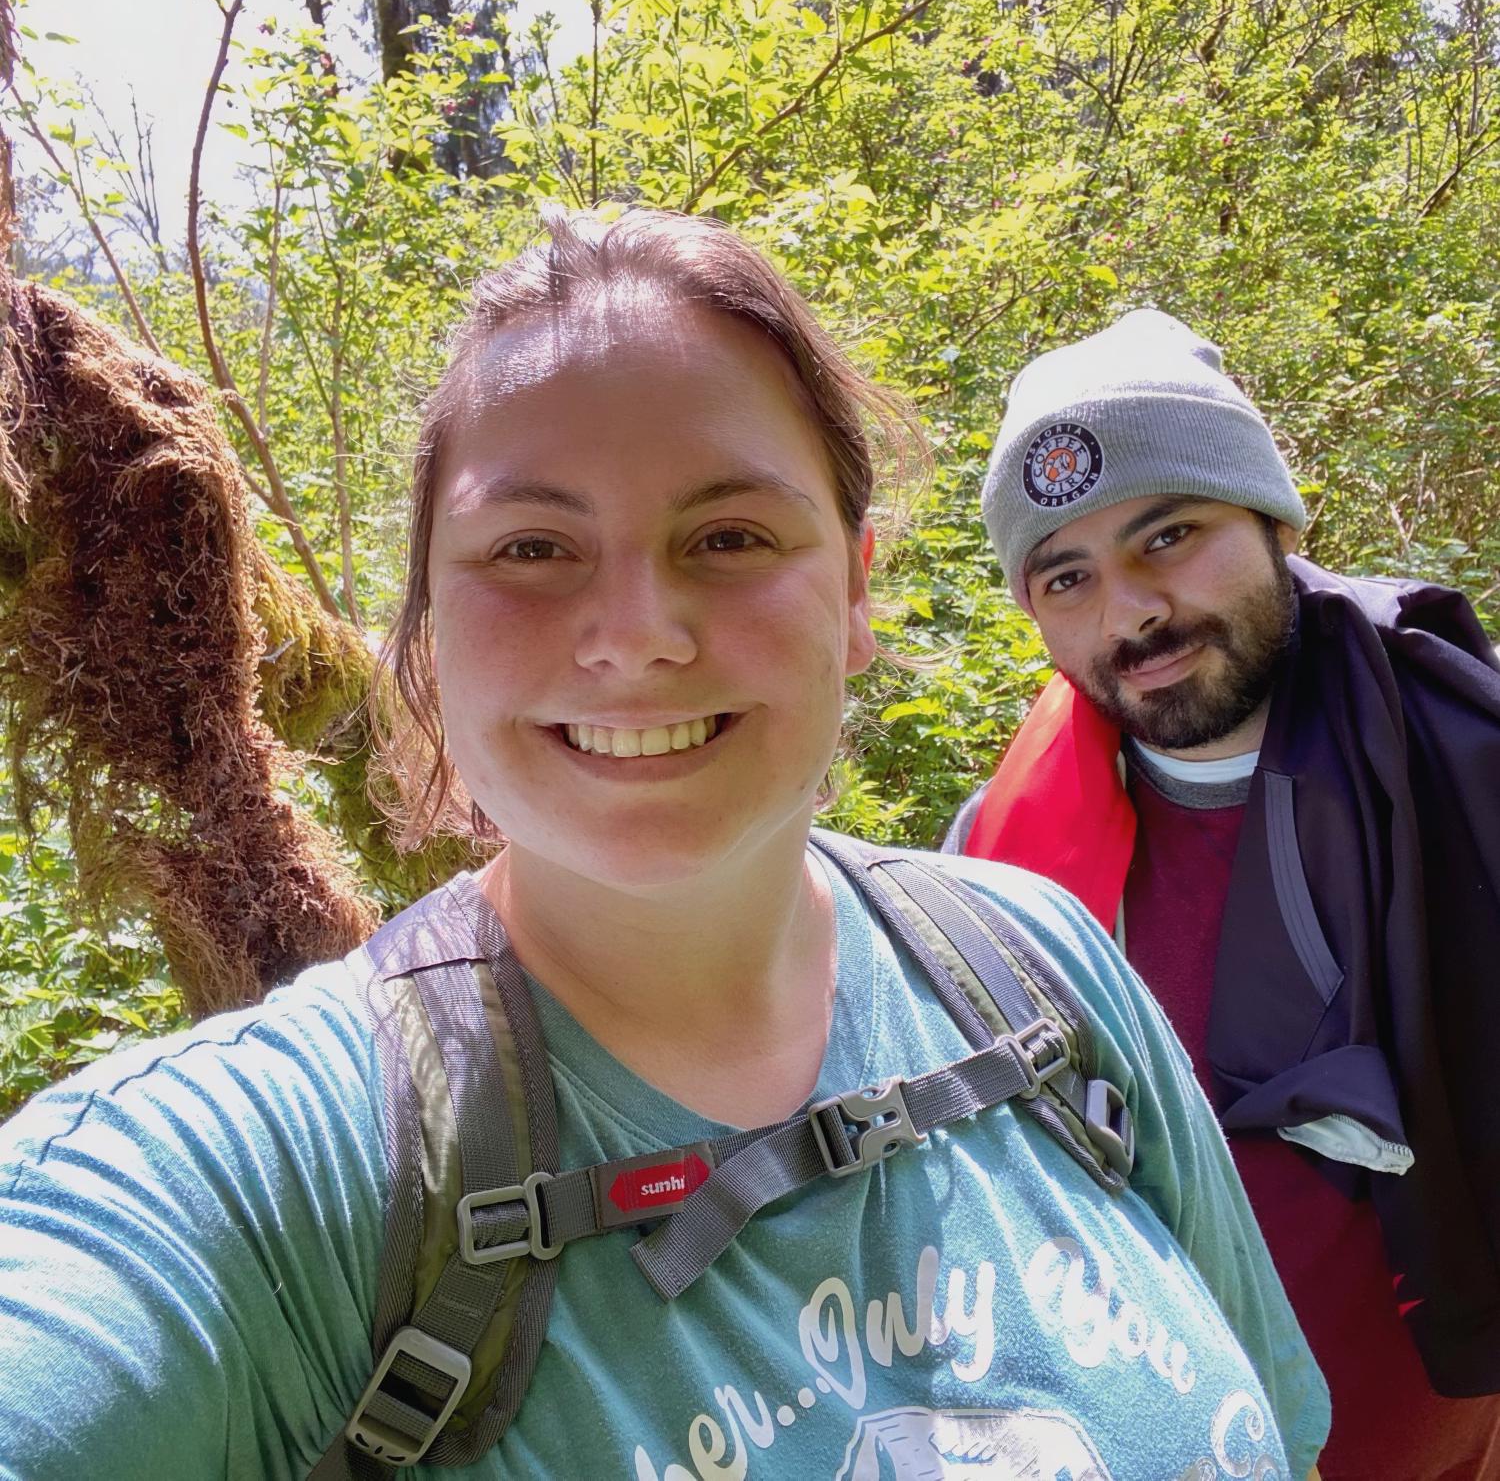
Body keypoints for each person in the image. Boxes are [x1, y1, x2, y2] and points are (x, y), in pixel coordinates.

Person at [0, 215, 1327, 1481]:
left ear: (856, 589)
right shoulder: (285, 1163)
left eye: (729, 537)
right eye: (532, 547)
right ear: (427, 628)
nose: (636, 633)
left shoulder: (1038, 967)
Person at [946, 308, 1500, 1480]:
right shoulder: (989, 874)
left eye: (1171, 534)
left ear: (1277, 521)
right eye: (1068, 576)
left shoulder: (1467, 772)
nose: (1132, 610)